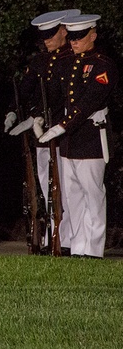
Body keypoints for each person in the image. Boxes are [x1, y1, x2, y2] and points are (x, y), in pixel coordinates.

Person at [38, 14, 116, 258]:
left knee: (92, 194)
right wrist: (41, 116)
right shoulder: (67, 63)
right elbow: (60, 97)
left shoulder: (103, 64)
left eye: (79, 37)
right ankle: (78, 246)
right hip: (69, 141)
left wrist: (62, 126)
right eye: (71, 37)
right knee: (72, 197)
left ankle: (93, 249)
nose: (74, 42)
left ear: (92, 35)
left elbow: (90, 101)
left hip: (89, 136)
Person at [6, 9, 80, 252]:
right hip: (41, 132)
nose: (47, 41)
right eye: (44, 37)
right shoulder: (40, 61)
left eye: (51, 35)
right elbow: (27, 89)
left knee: (66, 188)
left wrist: (44, 118)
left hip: (63, 130)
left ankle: (68, 239)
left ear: (63, 31)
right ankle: (52, 237)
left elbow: (67, 98)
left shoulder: (73, 58)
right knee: (46, 185)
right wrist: (14, 112)